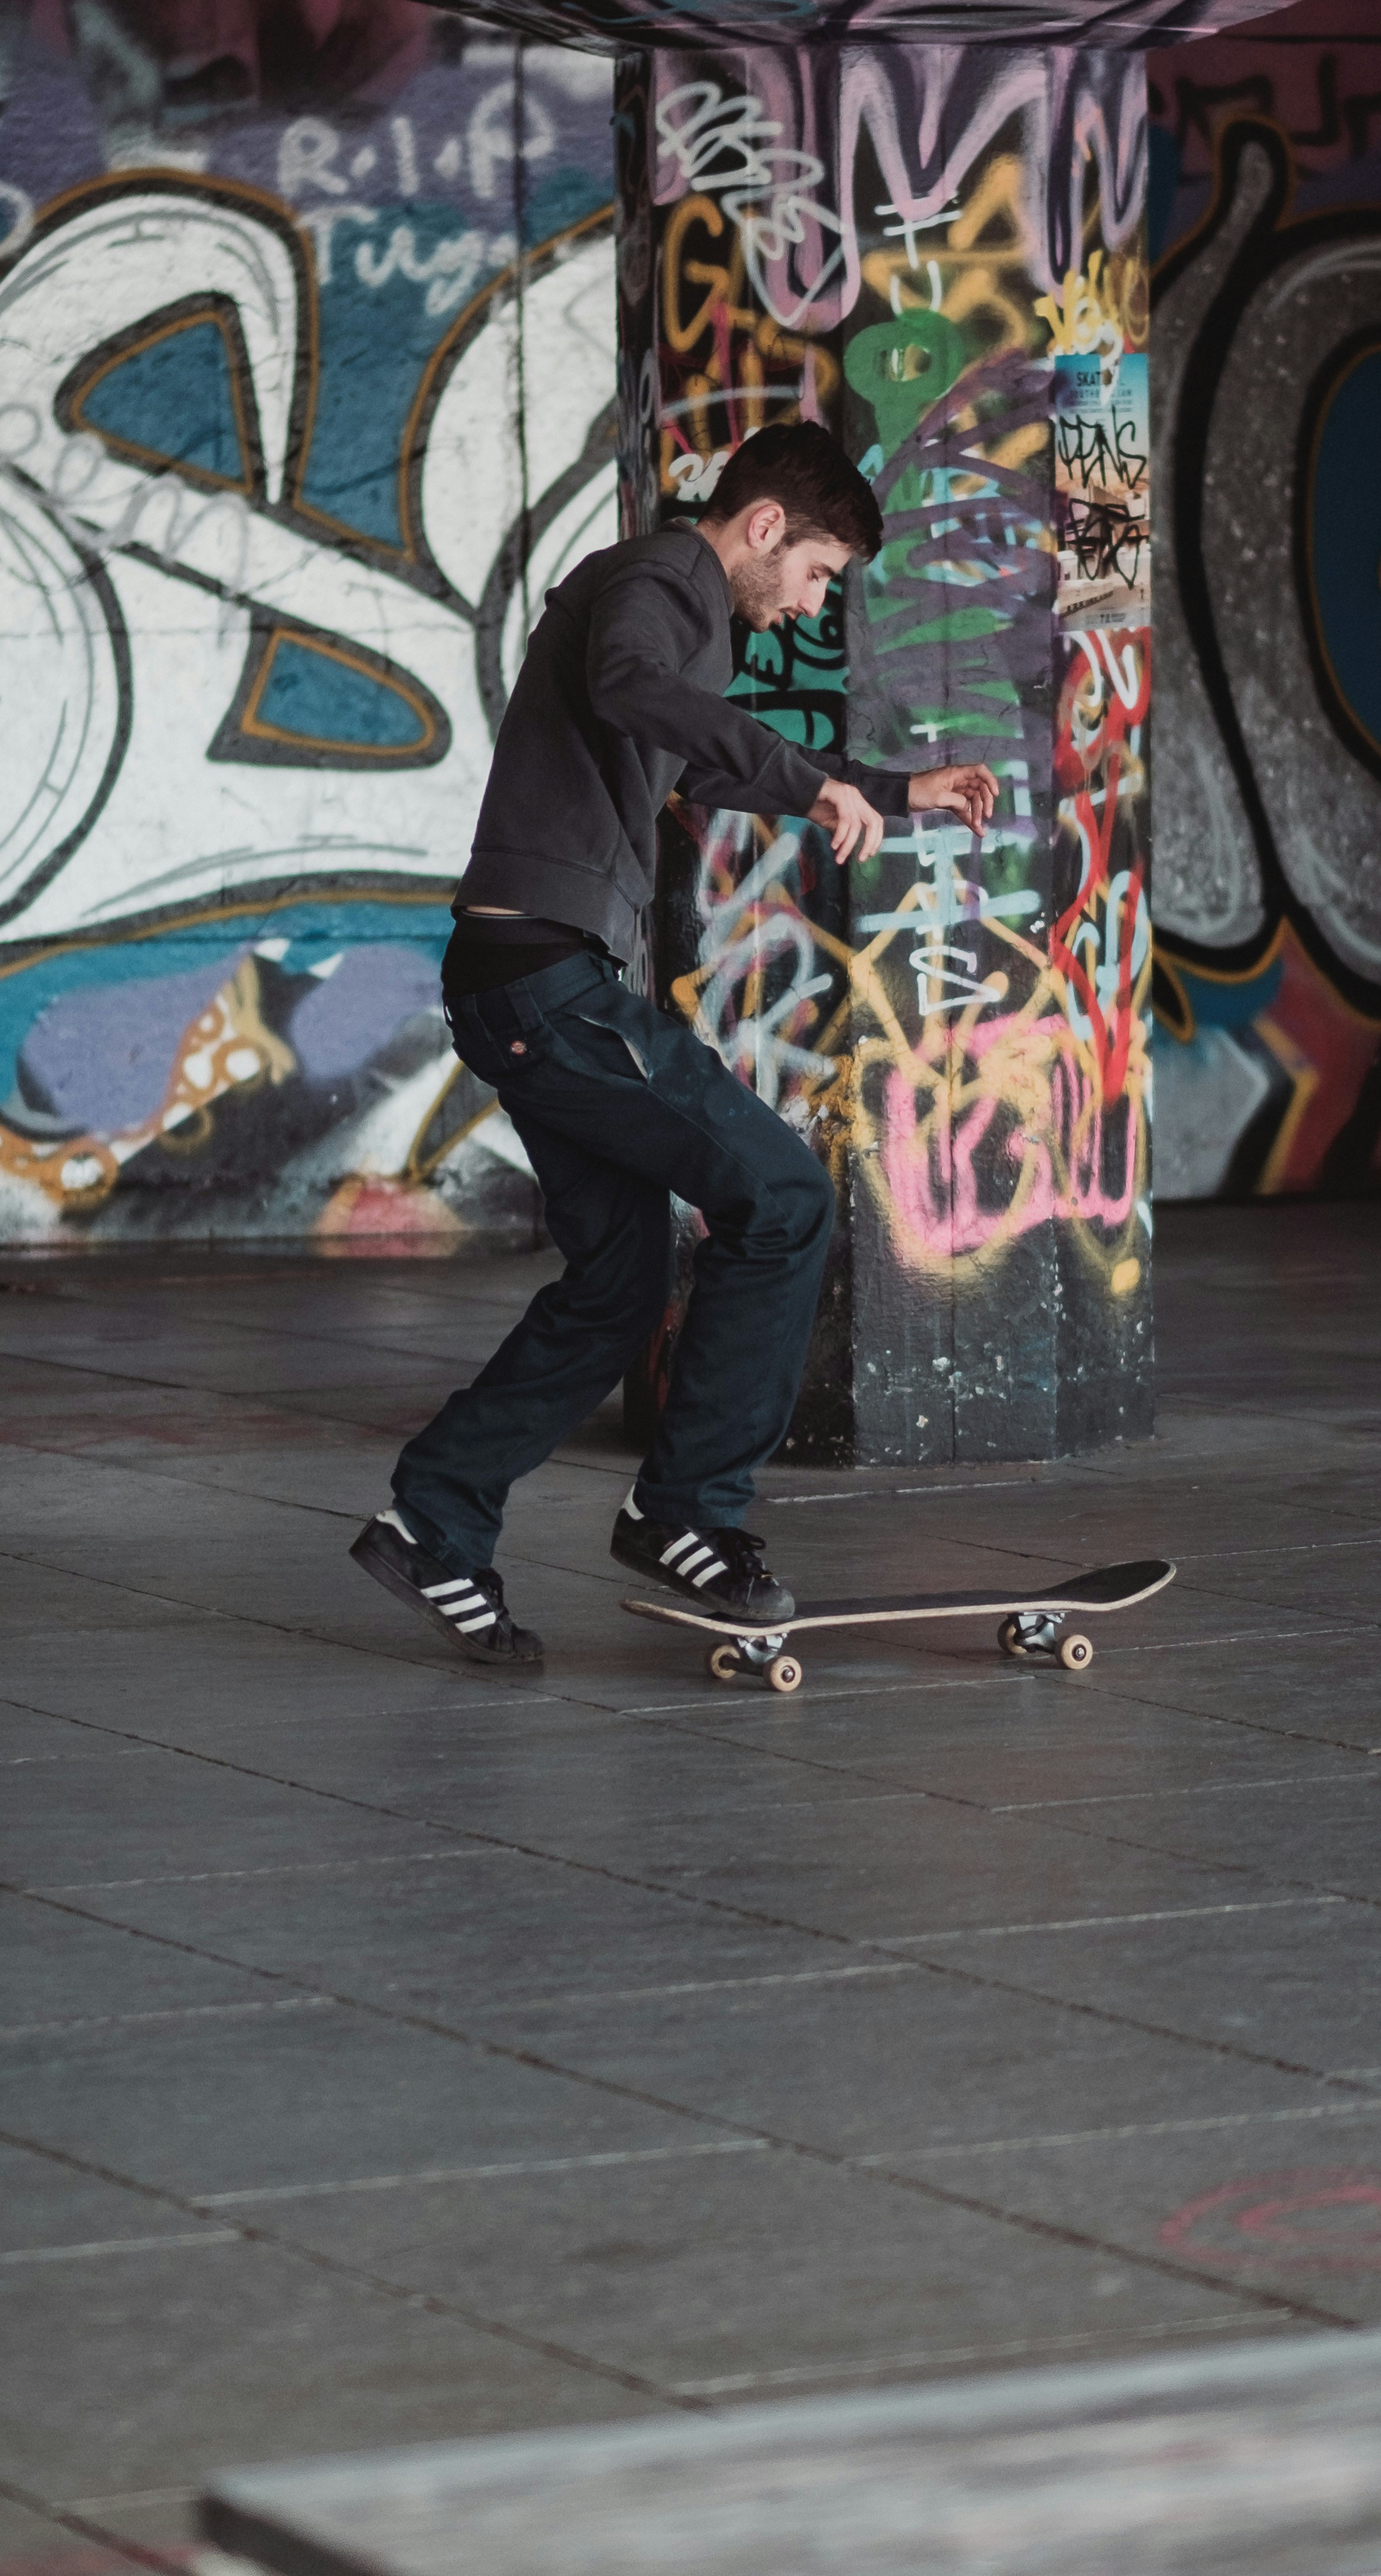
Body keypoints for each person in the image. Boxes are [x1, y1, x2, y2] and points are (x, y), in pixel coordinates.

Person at [351, 420, 997, 1669]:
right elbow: (636, 693)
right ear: (764, 528)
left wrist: (882, 785)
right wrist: (810, 785)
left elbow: (691, 751)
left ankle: (432, 1522)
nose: (808, 609)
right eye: (815, 575)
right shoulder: (660, 586)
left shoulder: (663, 606)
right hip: (548, 986)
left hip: (523, 980)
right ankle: (685, 1513)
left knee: (618, 1287)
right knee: (785, 1196)